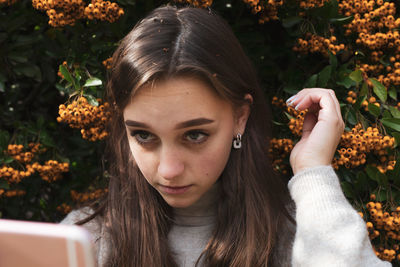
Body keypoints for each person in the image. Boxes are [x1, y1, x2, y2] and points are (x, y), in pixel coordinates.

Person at [61, 4, 392, 267]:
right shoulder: (83, 243)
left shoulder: (304, 237)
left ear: (240, 118)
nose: (168, 170)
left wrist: (313, 172)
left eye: (194, 135)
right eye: (144, 136)